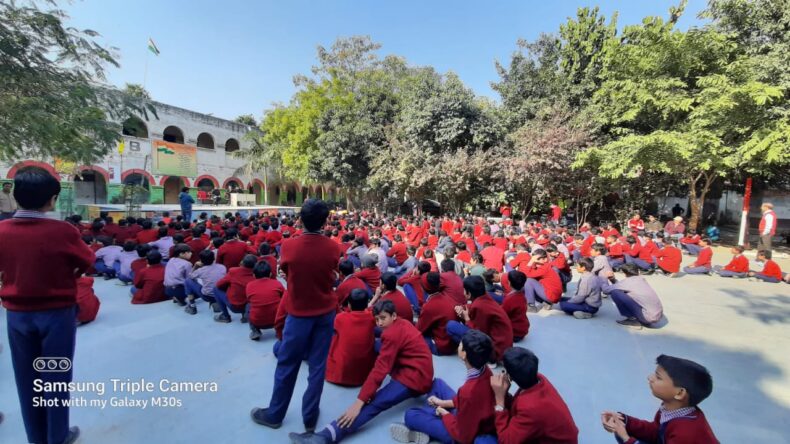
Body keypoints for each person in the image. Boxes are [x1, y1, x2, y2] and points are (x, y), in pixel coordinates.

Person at [0, 169, 93, 444]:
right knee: (55, 378)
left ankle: (36, 438)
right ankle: (58, 436)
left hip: (17, 316)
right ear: (52, 200)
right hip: (56, 316)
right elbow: (88, 261)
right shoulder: (62, 230)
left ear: (15, 197)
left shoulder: (2, 231)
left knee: (26, 380)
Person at [290, 300, 433, 443]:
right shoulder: (403, 323)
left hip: (415, 378)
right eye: (377, 319)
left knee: (375, 402)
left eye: (383, 318)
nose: (380, 323)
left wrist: (359, 401)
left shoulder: (391, 335)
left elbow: (380, 370)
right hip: (420, 369)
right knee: (377, 346)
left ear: (394, 316)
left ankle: (326, 436)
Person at [252, 199, 340, 433]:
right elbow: (332, 272)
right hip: (325, 312)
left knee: (287, 364)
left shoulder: (288, 245)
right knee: (317, 366)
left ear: (300, 219)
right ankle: (310, 417)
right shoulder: (333, 247)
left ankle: (275, 413)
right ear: (325, 221)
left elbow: (286, 271)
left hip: (299, 312)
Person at [394, 330, 497, 444]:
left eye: (460, 344)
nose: (458, 344)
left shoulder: (468, 391)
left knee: (410, 415)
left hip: (462, 434)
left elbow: (462, 435)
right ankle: (431, 417)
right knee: (437, 383)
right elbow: (469, 401)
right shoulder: (486, 371)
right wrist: (442, 403)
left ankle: (428, 422)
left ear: (464, 354)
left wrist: (445, 414)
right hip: (472, 416)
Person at [601, 354, 718, 443]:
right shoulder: (670, 409)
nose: (650, 378)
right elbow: (655, 430)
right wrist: (623, 420)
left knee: (624, 437)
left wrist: (627, 439)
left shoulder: (685, 433)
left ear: (680, 393)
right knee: (622, 431)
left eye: (658, 377)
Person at [490, 347, 579, 443]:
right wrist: (505, 394)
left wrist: (499, 400)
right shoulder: (539, 379)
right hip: (562, 437)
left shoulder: (530, 408)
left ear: (510, 376)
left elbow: (505, 441)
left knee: (483, 440)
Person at [447, 276, 513, 362]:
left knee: (450, 326)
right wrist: (462, 307)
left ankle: (480, 357)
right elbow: (473, 307)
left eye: (464, 290)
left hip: (495, 352)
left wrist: (466, 319)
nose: (463, 292)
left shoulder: (479, 307)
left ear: (469, 294)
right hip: (503, 346)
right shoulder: (485, 297)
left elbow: (479, 334)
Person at [326, 289, 376, 387]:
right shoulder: (371, 317)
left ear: (349, 305)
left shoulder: (340, 318)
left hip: (341, 372)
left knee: (335, 336)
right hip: (362, 373)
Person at [602, 264, 664, 329]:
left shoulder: (627, 282)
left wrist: (603, 278)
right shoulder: (641, 279)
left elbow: (605, 290)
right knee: (624, 292)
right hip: (657, 316)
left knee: (615, 292)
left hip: (647, 318)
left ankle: (633, 319)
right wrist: (613, 279)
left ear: (625, 274)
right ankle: (637, 318)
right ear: (638, 271)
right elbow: (622, 286)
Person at [415, 272, 458, 355]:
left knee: (414, 332)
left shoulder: (429, 305)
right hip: (453, 344)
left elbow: (418, 330)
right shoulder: (447, 297)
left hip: (440, 347)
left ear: (424, 288)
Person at [246, 261, 285, 340]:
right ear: (270, 274)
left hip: (258, 321)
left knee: (248, 306)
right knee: (283, 303)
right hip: (278, 320)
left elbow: (249, 299)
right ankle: (281, 330)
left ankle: (255, 331)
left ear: (254, 275)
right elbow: (285, 298)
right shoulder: (277, 283)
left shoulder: (249, 285)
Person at [214, 254, 256, 322]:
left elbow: (219, 284)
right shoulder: (257, 274)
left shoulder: (234, 271)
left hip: (236, 306)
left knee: (215, 289)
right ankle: (245, 314)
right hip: (250, 306)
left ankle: (225, 316)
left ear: (242, 262)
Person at [501, 271, 529, 342]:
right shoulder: (522, 295)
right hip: (523, 328)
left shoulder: (510, 299)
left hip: (515, 333)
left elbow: (502, 315)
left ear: (509, 283)